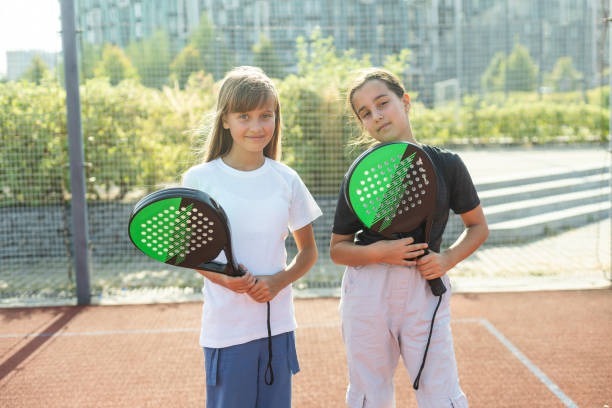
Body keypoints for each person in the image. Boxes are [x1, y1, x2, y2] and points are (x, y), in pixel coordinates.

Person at [330, 67, 489, 408]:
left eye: (383, 103)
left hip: (425, 288)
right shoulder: (361, 173)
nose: (377, 115)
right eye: (365, 113)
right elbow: (338, 249)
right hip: (368, 291)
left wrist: (446, 259)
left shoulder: (447, 164)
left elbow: (478, 227)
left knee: (439, 392)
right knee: (369, 395)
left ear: (405, 101)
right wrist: (381, 252)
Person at [182, 66, 322, 408]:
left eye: (266, 115)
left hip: (278, 330)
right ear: (225, 120)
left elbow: (308, 253)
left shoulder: (287, 179)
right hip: (227, 332)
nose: (257, 126)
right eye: (244, 116)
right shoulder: (199, 179)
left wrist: (278, 281)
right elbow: (193, 256)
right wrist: (227, 282)